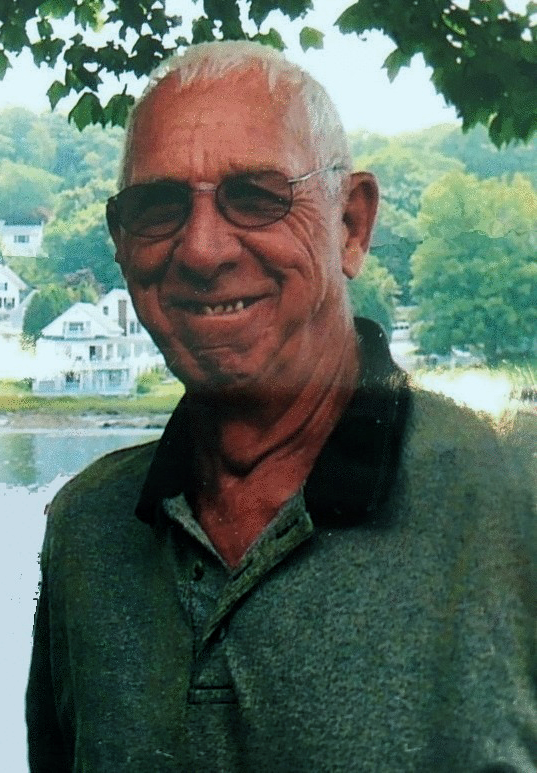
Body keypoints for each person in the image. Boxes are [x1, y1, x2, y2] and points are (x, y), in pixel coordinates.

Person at [26, 41, 535, 772]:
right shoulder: (87, 530)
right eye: (159, 207)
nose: (202, 250)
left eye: (256, 197)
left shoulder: (515, 500)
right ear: (121, 242)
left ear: (351, 225)